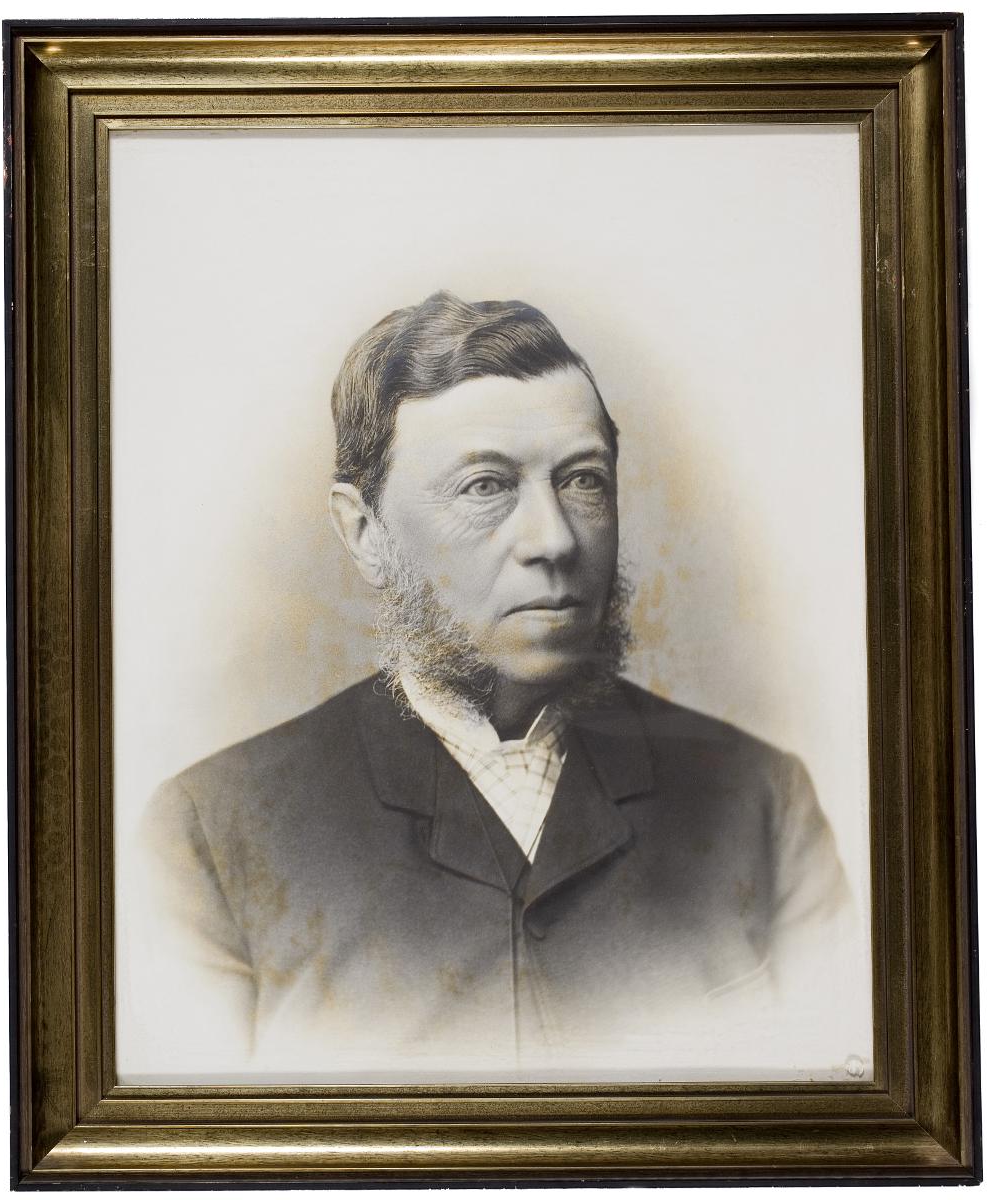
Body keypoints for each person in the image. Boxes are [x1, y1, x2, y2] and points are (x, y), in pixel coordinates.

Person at [126, 291, 857, 1082]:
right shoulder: (211, 835)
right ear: (364, 532)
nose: (553, 540)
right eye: (485, 486)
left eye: (582, 480)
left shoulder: (762, 802)